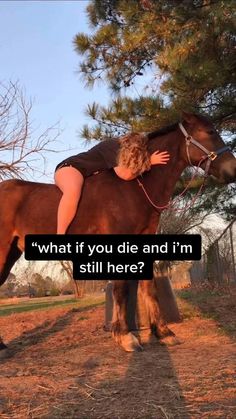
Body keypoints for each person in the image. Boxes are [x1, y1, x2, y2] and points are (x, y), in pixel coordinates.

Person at [54, 133, 170, 234]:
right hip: (70, 168)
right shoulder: (114, 147)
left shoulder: (121, 150)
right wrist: (149, 162)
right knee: (73, 190)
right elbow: (125, 175)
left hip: (85, 176)